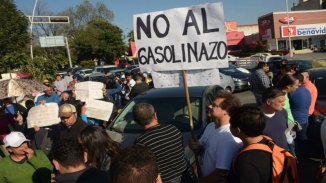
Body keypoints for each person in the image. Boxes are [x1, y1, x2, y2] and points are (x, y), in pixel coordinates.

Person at [189, 92, 242, 183]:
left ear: (226, 111)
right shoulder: (210, 126)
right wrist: (194, 146)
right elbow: (201, 150)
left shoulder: (228, 138)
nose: (209, 106)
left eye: (214, 105)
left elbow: (221, 174)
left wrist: (201, 182)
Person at [133, 103, 187, 183]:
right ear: (155, 115)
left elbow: (145, 168)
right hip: (186, 176)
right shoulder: (173, 129)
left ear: (137, 121)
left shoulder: (141, 142)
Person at [229, 106, 272, 183]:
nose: (229, 127)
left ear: (238, 130)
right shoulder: (269, 142)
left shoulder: (246, 161)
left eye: (231, 125)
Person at [288, 73, 311, 156]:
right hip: (305, 118)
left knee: (293, 139)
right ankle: (305, 154)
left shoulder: (292, 92)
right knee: (303, 137)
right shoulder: (307, 90)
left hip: (295, 120)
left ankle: (296, 156)